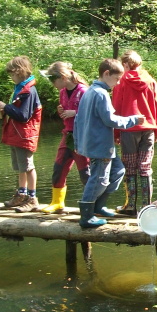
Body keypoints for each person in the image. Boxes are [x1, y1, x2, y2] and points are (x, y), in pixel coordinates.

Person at [74, 58, 144, 228]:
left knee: (118, 170)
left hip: (99, 144)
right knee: (98, 179)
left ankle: (99, 206)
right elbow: (110, 120)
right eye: (117, 79)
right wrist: (134, 120)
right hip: (99, 146)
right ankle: (86, 216)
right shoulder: (100, 94)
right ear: (106, 74)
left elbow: (77, 120)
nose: (118, 83)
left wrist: (78, 143)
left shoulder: (90, 91)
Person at [111, 49, 157, 217]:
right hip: (148, 129)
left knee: (130, 167)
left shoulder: (121, 82)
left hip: (128, 130)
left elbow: (116, 107)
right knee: (145, 167)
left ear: (125, 64)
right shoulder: (150, 81)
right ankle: (146, 207)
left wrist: (116, 133)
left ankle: (130, 206)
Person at [40, 62, 90, 213]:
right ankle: (57, 202)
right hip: (67, 134)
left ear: (62, 77)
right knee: (59, 168)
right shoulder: (62, 92)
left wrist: (75, 113)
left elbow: (92, 113)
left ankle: (91, 203)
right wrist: (61, 110)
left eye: (52, 79)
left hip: (81, 137)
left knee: (85, 172)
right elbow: (65, 111)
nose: (52, 83)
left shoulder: (83, 91)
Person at [0, 56, 43, 212]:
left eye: (12, 74)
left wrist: (6, 107)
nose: (11, 77)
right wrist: (3, 111)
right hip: (16, 135)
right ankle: (21, 194)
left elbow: (24, 116)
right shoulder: (20, 88)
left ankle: (32, 198)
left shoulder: (29, 91)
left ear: (20, 72)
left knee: (28, 167)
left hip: (25, 136)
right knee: (21, 167)